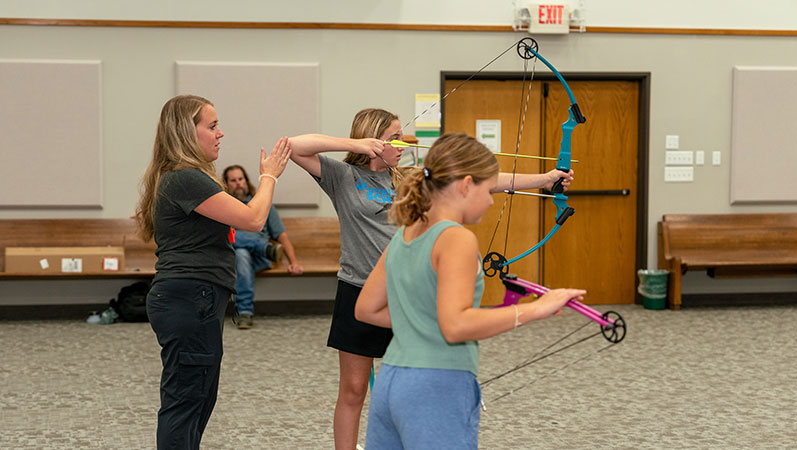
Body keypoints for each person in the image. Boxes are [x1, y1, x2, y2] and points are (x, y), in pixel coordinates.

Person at [289, 108, 576, 450]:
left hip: (409, 288)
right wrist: (357, 145)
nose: (401, 142)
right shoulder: (343, 175)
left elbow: (482, 182)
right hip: (359, 287)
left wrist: (545, 180)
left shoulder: (408, 177)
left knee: (407, 370)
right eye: (394, 136)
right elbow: (292, 146)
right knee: (353, 390)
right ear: (373, 138)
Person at [354, 133, 587, 449]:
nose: (492, 199)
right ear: (465, 185)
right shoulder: (456, 238)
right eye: (488, 188)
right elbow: (456, 326)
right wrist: (539, 308)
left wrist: (425, 322)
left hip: (392, 382)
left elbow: (366, 309)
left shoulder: (405, 234)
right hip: (436, 385)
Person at [136, 94, 291, 449]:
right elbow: (253, 219)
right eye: (213, 125)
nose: (221, 133)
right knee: (186, 402)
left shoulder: (180, 178)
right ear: (187, 132)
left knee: (197, 398)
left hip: (193, 299)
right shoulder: (185, 178)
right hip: (190, 299)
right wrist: (268, 176)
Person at [222, 164, 304, 329]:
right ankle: (263, 246)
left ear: (246, 181)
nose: (238, 183)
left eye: (241, 179)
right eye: (233, 180)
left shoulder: (262, 205)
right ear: (226, 184)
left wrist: (293, 261)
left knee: (241, 252)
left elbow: (282, 235)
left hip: (260, 259)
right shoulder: (224, 206)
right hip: (233, 258)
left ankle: (244, 312)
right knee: (239, 251)